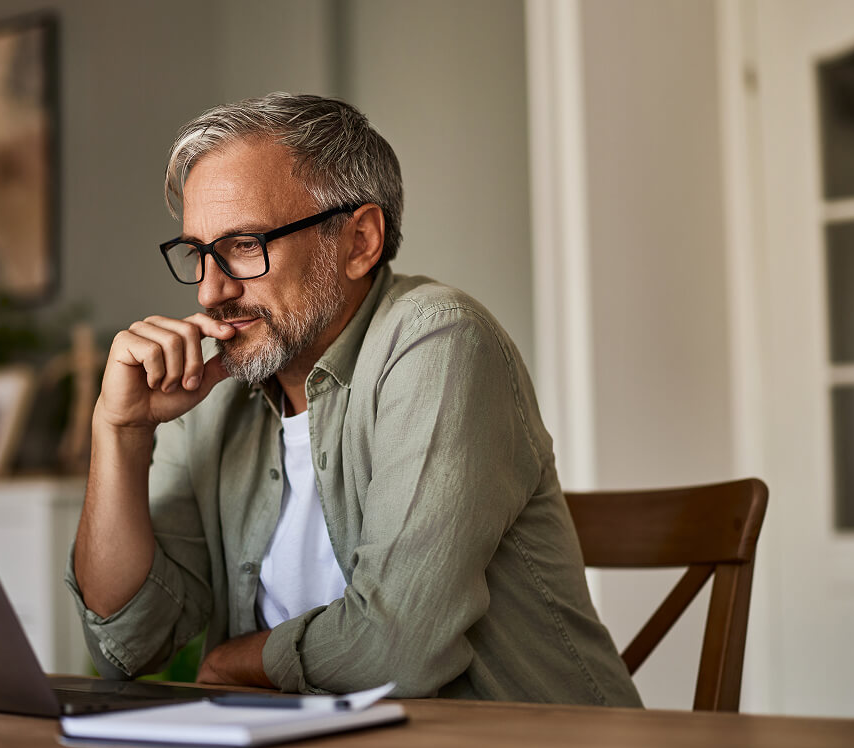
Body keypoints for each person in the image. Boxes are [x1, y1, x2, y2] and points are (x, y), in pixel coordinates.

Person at [66, 93, 641, 706]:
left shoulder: (439, 341)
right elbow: (126, 644)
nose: (210, 291)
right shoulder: (212, 390)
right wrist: (120, 430)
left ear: (360, 240)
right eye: (198, 253)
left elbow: (397, 650)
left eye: (244, 246)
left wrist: (240, 660)